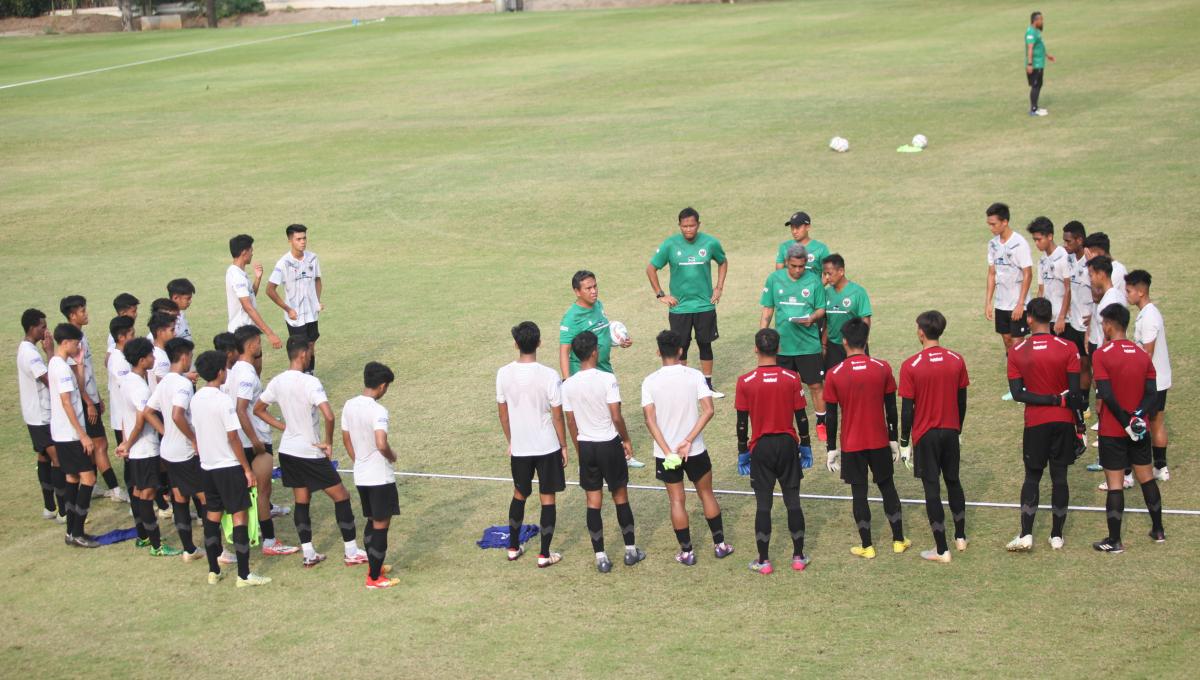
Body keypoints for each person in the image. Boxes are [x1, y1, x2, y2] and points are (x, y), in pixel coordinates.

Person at [255, 337, 365, 568]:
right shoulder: (310, 383)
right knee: (341, 496)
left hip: (288, 451)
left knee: (301, 500)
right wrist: (327, 442)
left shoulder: (277, 381)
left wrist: (283, 427)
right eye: (311, 351)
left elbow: (258, 409)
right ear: (304, 353)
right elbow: (329, 415)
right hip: (310, 451)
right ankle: (351, 550)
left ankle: (309, 553)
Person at [642, 330, 732, 566]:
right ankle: (720, 545)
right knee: (707, 494)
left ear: (658, 352)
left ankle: (687, 552)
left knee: (676, 501)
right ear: (681, 350)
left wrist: (668, 450)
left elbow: (649, 420)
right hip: (695, 450)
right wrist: (689, 440)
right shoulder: (694, 376)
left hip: (667, 455)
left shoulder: (650, 381)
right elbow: (709, 410)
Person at [561, 331, 644, 573]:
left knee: (593, 502)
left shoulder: (568, 385)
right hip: (609, 444)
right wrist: (626, 439)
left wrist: (579, 447)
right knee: (620, 497)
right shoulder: (607, 379)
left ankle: (601, 557)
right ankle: (630, 551)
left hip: (587, 446)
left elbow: (570, 421)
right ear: (595, 351)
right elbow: (616, 416)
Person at [1004, 297, 1084, 552]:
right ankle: (1057, 536)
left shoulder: (1017, 351)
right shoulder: (1069, 347)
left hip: (1036, 423)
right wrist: (1079, 426)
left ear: (1029, 318)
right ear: (1050, 317)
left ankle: (1026, 534)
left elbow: (1018, 394)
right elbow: (1075, 394)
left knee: (1032, 476)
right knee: (1060, 477)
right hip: (1063, 422)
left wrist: (1045, 399)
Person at [824, 318, 908, 559]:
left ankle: (867, 546)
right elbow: (891, 408)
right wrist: (893, 438)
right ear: (867, 339)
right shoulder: (882, 368)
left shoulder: (834, 374)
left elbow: (831, 416)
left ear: (844, 342)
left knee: (858, 494)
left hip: (852, 444)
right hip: (879, 441)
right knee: (888, 488)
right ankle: (899, 541)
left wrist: (831, 448)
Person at [191, 350, 271, 587]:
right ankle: (244, 575)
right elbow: (233, 438)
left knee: (212, 518)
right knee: (240, 517)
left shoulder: (196, 399)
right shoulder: (224, 401)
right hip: (228, 467)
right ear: (219, 372)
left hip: (207, 467)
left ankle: (213, 570)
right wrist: (246, 469)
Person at [1090, 303, 1165, 552]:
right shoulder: (1142, 354)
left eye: (1103, 323)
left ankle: (1114, 541)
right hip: (1139, 429)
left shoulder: (1101, 354)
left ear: (1110, 324)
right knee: (1146, 478)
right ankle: (1158, 530)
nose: (1102, 327)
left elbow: (1107, 395)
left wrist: (1124, 422)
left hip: (1113, 430)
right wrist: (1137, 417)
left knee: (1115, 484)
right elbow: (1152, 394)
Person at [734, 328, 810, 575]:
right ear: (778, 349)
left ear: (756, 348)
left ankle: (764, 561)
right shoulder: (791, 378)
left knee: (763, 506)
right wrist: (806, 445)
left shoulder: (745, 381)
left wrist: (742, 450)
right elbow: (801, 416)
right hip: (788, 445)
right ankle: (798, 557)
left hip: (761, 448)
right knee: (793, 502)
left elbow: (742, 422)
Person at [898, 311, 970, 563]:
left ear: (921, 332)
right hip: (950, 431)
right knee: (953, 481)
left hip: (926, 436)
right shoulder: (956, 360)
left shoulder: (911, 365)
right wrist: (957, 428)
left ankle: (941, 550)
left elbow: (907, 410)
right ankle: (960, 537)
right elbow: (962, 401)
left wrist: (904, 441)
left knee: (932, 488)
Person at [496, 321, 568, 568]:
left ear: (516, 344)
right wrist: (564, 445)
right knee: (547, 498)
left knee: (519, 494)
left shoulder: (503, 373)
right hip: (547, 445)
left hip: (521, 447)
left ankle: (513, 548)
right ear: (539, 343)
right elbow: (557, 415)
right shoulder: (549, 375)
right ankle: (544, 554)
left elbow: (503, 414)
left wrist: (512, 441)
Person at [558, 270, 642, 468]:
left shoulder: (599, 306)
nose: (594, 291)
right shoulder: (571, 318)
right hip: (583, 373)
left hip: (604, 368)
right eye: (588, 288)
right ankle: (586, 459)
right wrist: (566, 380)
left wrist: (619, 342)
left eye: (595, 286)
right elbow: (564, 351)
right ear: (577, 291)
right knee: (588, 417)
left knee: (615, 409)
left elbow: (603, 334)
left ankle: (623, 455)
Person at [645, 207, 729, 398]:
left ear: (698, 224)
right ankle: (682, 387)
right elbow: (651, 268)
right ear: (679, 226)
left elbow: (722, 262)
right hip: (679, 307)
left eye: (692, 226)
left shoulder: (710, 243)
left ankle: (707, 386)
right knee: (680, 346)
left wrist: (719, 287)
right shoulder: (670, 245)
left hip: (704, 305)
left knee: (705, 344)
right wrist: (660, 294)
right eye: (684, 226)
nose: (688, 230)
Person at [229, 324, 297, 556]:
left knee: (249, 491)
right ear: (250, 345)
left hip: (239, 441)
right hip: (253, 442)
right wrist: (255, 439)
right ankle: (269, 541)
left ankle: (253, 534)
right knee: (262, 492)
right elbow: (241, 409)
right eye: (258, 342)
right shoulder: (247, 375)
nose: (261, 345)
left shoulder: (235, 370)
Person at [115, 337, 182, 557]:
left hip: (138, 449)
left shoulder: (128, 381)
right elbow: (143, 417)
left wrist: (126, 443)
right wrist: (166, 433)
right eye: (151, 356)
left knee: (138, 491)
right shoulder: (137, 386)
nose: (155, 359)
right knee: (147, 493)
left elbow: (128, 419)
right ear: (142, 360)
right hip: (145, 448)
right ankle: (156, 545)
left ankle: (143, 537)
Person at [147, 337, 208, 562]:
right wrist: (193, 439)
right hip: (184, 452)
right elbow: (177, 414)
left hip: (168, 451)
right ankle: (219, 550)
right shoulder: (183, 385)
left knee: (180, 498)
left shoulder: (164, 382)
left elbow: (147, 411)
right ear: (184, 357)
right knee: (207, 499)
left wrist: (165, 432)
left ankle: (189, 549)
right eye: (190, 357)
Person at [342, 362, 402, 589]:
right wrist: (391, 455)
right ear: (383, 386)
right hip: (379, 477)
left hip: (361, 475)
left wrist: (358, 460)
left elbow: (346, 438)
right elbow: (381, 442)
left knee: (371, 520)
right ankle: (375, 578)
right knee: (381, 525)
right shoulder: (378, 411)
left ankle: (374, 567)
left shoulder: (349, 405)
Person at [760, 243, 828, 440]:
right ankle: (784, 423)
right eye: (794, 266)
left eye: (801, 266)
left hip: (808, 345)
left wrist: (812, 318)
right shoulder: (774, 279)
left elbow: (821, 308)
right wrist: (763, 335)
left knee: (815, 386)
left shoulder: (814, 281)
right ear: (787, 263)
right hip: (782, 346)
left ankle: (821, 423)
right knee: (783, 388)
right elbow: (767, 310)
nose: (798, 270)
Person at [60, 295, 124, 501]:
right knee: (101, 445)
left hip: (91, 397)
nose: (86, 314)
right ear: (72, 315)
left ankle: (94, 484)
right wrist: (89, 402)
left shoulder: (81, 336)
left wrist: (96, 398)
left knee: (97, 445)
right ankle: (114, 489)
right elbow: (74, 378)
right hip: (84, 401)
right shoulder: (70, 342)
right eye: (82, 311)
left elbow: (87, 373)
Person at [48, 323, 99, 548]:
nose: (79, 346)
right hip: (70, 435)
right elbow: (67, 402)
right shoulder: (60, 368)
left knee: (72, 479)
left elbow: (76, 391)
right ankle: (78, 532)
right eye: (77, 343)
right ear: (66, 342)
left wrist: (79, 366)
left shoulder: (58, 364)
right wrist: (83, 435)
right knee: (89, 479)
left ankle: (71, 531)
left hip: (61, 434)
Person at [17, 308, 64, 520]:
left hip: (33, 414)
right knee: (57, 459)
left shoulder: (25, 349)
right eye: (43, 327)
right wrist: (50, 353)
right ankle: (63, 510)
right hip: (41, 415)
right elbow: (49, 380)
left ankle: (49, 507)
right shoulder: (31, 354)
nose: (46, 331)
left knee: (43, 456)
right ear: (32, 328)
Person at [1126, 270, 1171, 482]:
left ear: (1141, 292)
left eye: (1129, 291)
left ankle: (1140, 469)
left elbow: (1147, 353)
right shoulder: (1149, 313)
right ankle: (1160, 468)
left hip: (1152, 381)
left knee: (1146, 422)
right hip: (1159, 379)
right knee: (1156, 422)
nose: (1127, 295)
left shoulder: (1149, 317)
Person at [983, 204, 1033, 393]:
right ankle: (1016, 383)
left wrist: (1021, 303)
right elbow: (991, 273)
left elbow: (1028, 274)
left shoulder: (1019, 243)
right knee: (1006, 340)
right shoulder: (993, 244)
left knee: (1018, 343)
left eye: (993, 224)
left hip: (1017, 304)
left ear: (1005, 222)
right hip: (1001, 303)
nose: (991, 228)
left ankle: (1025, 384)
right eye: (989, 224)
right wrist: (988, 301)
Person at [266, 224, 323, 374]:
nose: (302, 242)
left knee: (311, 345)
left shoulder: (313, 258)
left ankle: (310, 374)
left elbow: (318, 280)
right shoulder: (283, 263)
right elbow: (270, 290)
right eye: (298, 239)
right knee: (299, 350)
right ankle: (298, 378)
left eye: (304, 238)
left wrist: (317, 301)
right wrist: (287, 309)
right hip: (295, 316)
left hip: (311, 313)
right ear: (290, 240)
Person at [226, 234, 282, 349]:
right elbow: (248, 307)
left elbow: (250, 298)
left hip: (249, 330)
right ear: (244, 252)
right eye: (251, 250)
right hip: (242, 332)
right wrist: (270, 334)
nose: (252, 253)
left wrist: (258, 278)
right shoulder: (237, 276)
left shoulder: (239, 273)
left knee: (256, 366)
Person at [105, 317, 137, 520]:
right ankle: (135, 503)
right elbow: (127, 387)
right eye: (131, 335)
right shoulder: (118, 360)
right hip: (123, 419)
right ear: (121, 337)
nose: (134, 337)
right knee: (130, 461)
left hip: (127, 417)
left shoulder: (122, 355)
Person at [821, 253, 872, 371]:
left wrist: (863, 344)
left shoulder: (858, 292)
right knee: (833, 380)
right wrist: (824, 345)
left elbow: (866, 320)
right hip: (833, 346)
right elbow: (827, 322)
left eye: (830, 273)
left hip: (855, 346)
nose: (827, 277)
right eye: (824, 274)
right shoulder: (826, 293)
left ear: (841, 271)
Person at [1060, 221, 1092, 402]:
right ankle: (1078, 398)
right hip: (1073, 322)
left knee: (1088, 365)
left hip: (1088, 324)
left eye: (1069, 241)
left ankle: (1086, 401)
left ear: (1080, 240)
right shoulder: (1068, 259)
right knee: (1077, 364)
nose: (1065, 245)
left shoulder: (1091, 262)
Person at [1027, 217, 1072, 336]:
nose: (1036, 243)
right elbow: (1041, 290)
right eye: (1034, 240)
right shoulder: (1041, 261)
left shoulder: (1064, 256)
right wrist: (1035, 316)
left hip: (1064, 321)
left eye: (1039, 239)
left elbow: (1068, 288)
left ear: (1050, 236)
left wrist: (1062, 317)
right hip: (1047, 320)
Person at [775, 211, 830, 279]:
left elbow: (828, 274)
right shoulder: (784, 247)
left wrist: (817, 288)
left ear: (808, 227)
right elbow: (778, 274)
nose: (794, 231)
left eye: (798, 228)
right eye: (792, 228)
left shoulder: (821, 249)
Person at [1025, 11, 1055, 116]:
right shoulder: (1030, 33)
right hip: (1035, 64)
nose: (1042, 21)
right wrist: (1029, 64)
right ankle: (1033, 110)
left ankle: (1036, 107)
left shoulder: (1036, 31)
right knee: (1035, 85)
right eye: (1041, 19)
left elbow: (1040, 46)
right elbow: (1030, 48)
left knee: (1038, 85)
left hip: (1039, 63)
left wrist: (1047, 55)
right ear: (1035, 20)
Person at [147, 312, 176, 391]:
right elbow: (165, 387)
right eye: (172, 330)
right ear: (160, 332)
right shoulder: (160, 358)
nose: (175, 334)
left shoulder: (157, 353)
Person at [166, 278, 196, 343]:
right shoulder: (166, 321)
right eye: (188, 298)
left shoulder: (181, 314)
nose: (190, 301)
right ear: (175, 298)